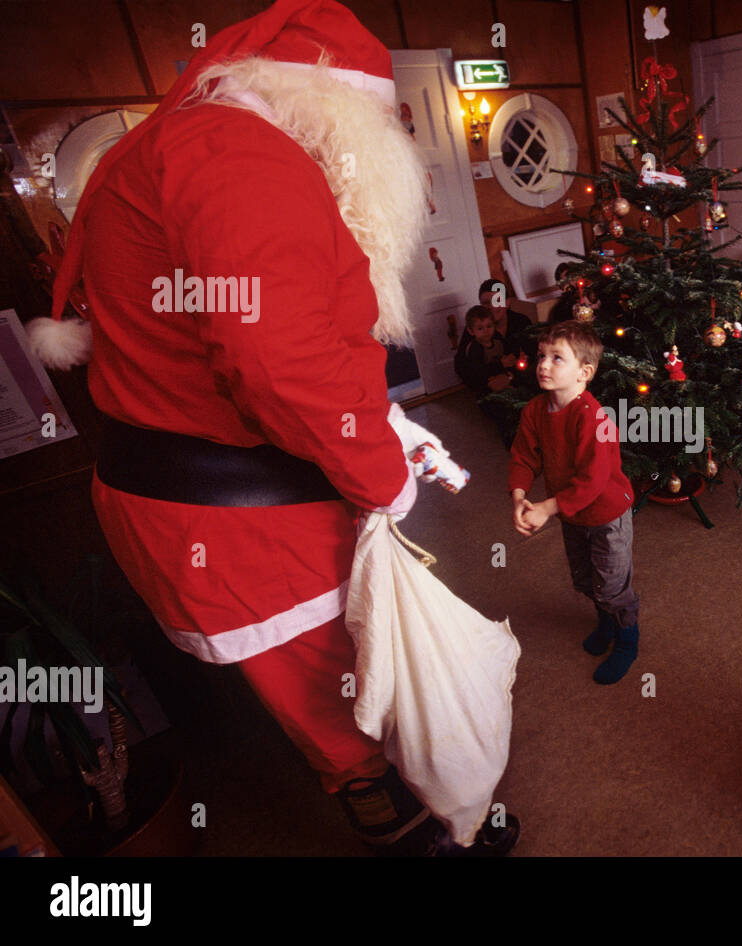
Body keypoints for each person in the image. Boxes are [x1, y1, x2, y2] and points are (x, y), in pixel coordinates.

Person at [32, 0, 517, 856]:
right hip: (248, 521)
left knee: (326, 677)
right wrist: (381, 473)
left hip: (196, 496)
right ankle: (423, 827)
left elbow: (241, 337)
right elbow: (277, 364)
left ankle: (405, 802)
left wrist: (385, 419)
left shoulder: (169, 146)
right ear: (329, 105)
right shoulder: (242, 154)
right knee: (342, 684)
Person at [507, 321, 639, 684]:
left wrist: (547, 508)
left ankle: (627, 637)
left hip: (606, 513)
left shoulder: (593, 417)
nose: (543, 365)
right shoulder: (536, 409)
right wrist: (519, 495)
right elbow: (523, 456)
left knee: (611, 584)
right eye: (541, 357)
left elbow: (592, 481)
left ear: (584, 373)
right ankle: (605, 624)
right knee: (584, 578)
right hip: (572, 515)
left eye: (556, 358)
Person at [454, 305, 519, 446]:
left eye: (489, 326)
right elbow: (478, 372)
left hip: (504, 378)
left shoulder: (498, 340)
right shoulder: (474, 348)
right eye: (480, 328)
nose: (486, 331)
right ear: (471, 331)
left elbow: (509, 352)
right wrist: (500, 365)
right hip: (486, 387)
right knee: (499, 408)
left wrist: (514, 359)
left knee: (517, 395)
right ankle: (509, 437)